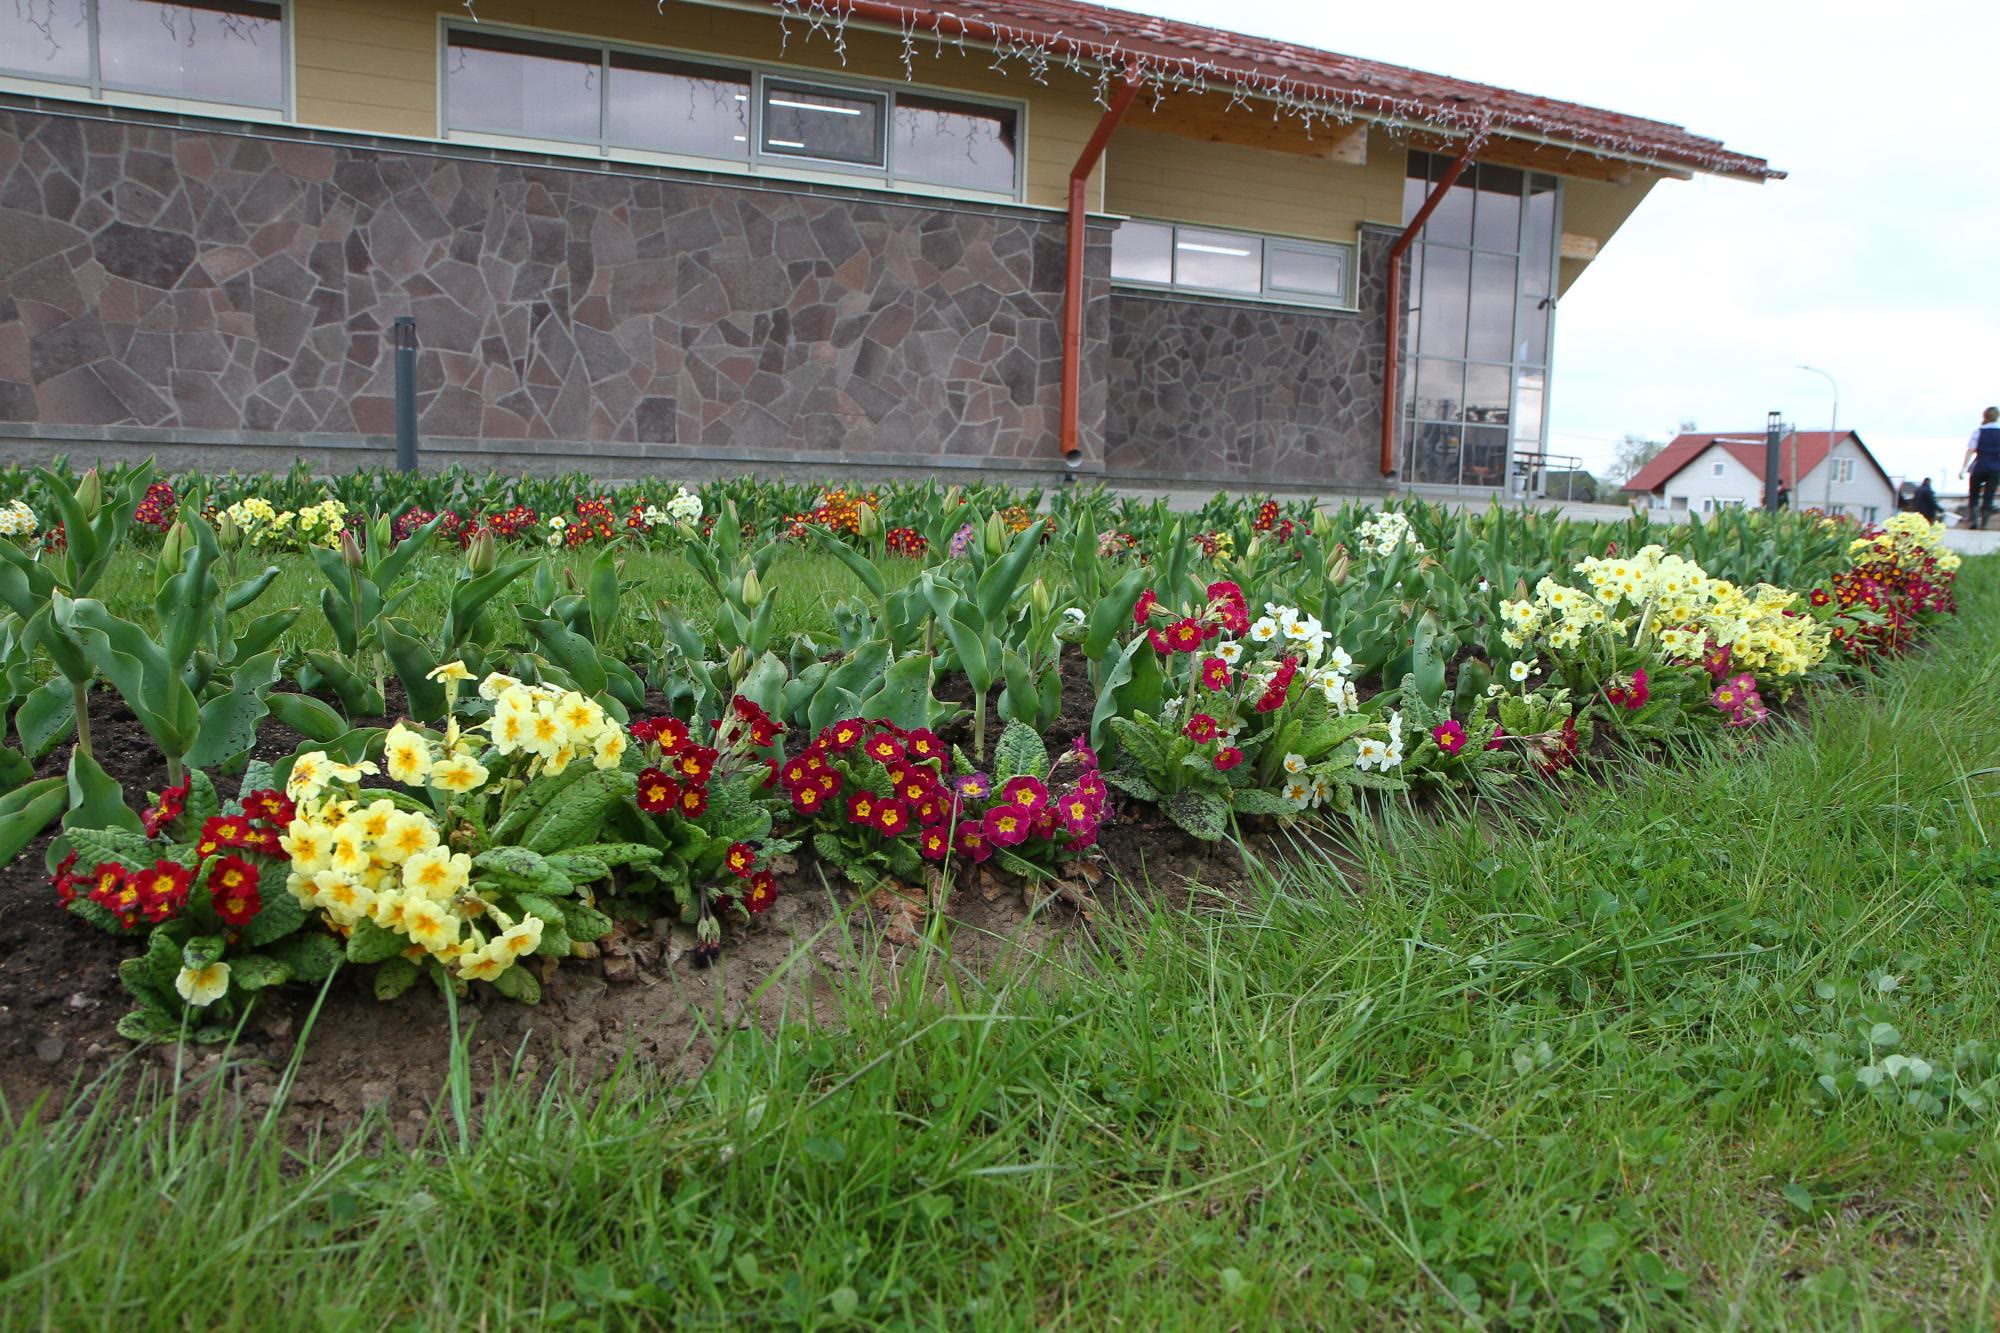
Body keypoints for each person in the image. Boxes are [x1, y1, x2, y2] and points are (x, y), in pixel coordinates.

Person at [1965, 407, 2000, 530]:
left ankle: (1974, 521)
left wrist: (1964, 468)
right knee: (1989, 496)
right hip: (1996, 468)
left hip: (1980, 466)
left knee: (1974, 493)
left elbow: (1970, 450)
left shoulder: (1978, 432)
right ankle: (1984, 523)